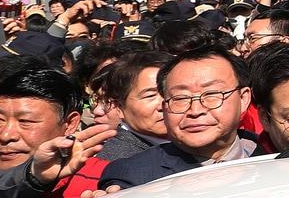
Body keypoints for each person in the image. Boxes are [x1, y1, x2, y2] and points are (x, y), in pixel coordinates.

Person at [98, 47, 256, 190]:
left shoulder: (272, 151)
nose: (195, 111)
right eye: (180, 98)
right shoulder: (133, 177)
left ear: (243, 99)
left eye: (211, 95)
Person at [64, 52, 171, 197]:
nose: (163, 104)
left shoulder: (196, 143)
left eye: (170, 92)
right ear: (120, 107)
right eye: (150, 96)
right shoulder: (112, 164)